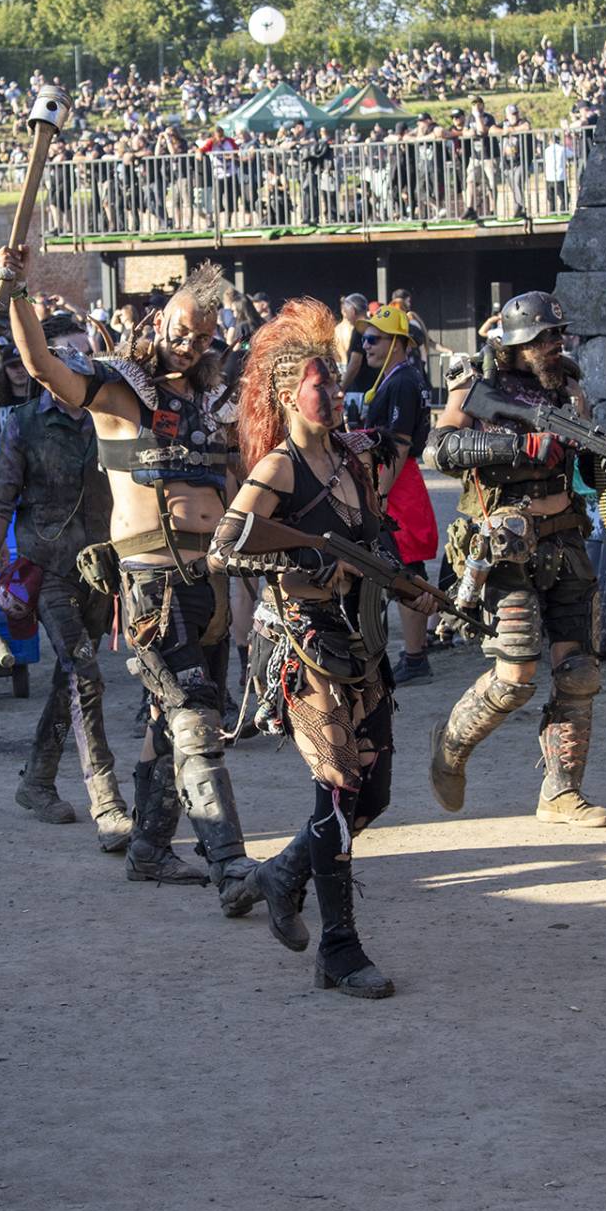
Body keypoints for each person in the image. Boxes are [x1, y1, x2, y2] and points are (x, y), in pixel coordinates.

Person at [0, 245, 261, 914]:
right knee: (195, 716)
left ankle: (147, 847)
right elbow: (41, 365)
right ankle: (230, 865)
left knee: (171, 723)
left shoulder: (214, 404)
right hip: (151, 585)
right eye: (178, 331)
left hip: (211, 583)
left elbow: (233, 490)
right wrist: (17, 292)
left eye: (200, 337)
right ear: (157, 323)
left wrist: (254, 586)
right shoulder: (119, 391)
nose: (187, 345)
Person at [208, 299, 438, 998]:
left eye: (338, 381)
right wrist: (303, 569)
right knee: (338, 792)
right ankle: (339, 948)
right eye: (322, 384)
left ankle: (281, 873)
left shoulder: (352, 461)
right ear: (287, 394)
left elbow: (374, 544)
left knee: (378, 794)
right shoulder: (278, 470)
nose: (336, 394)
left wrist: (411, 589)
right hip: (310, 651)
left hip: (361, 644)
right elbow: (223, 551)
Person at [427, 291, 606, 826]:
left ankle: (560, 792)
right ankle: (452, 746)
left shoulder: (569, 389)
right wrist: (518, 448)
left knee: (578, 673)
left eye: (559, 336)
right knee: (514, 676)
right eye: (544, 338)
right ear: (517, 343)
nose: (556, 345)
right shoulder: (477, 386)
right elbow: (437, 450)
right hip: (506, 545)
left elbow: (587, 470)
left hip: (566, 540)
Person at [0, 314, 131, 844]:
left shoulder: (111, 412)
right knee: (85, 675)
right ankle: (106, 799)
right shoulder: (23, 423)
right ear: (46, 363)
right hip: (51, 570)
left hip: (104, 572)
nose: (82, 362)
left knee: (70, 680)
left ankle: (36, 780)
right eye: (69, 353)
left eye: (88, 352)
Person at [356, 304, 438, 686]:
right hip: (395, 477)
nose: (366, 345)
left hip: (396, 479)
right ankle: (412, 652)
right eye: (365, 338)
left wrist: (380, 492)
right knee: (397, 565)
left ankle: (416, 655)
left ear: (397, 344)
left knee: (405, 568)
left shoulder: (403, 380)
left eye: (374, 339)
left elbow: (399, 444)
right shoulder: (400, 377)